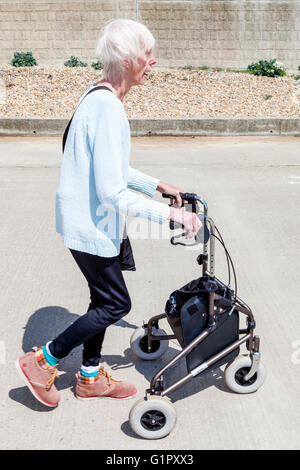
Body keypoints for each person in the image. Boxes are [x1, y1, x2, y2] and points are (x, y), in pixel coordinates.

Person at [15, 19, 201, 407]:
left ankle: (88, 377)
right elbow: (112, 191)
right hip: (91, 226)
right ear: (130, 60)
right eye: (147, 54)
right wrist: (173, 216)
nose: (153, 61)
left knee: (102, 301)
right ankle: (44, 360)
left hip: (88, 222)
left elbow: (109, 167)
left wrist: (158, 186)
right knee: (116, 305)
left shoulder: (100, 97)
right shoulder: (107, 108)